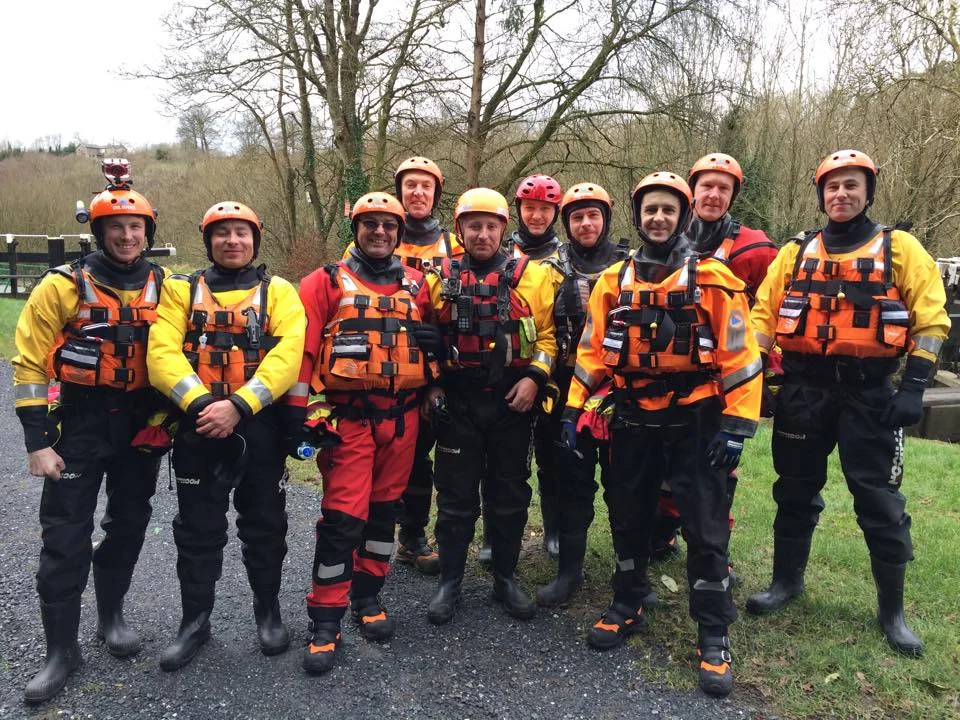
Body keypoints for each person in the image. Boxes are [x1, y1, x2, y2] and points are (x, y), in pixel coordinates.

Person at [564, 172, 762, 698]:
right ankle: (627, 600)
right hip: (632, 415)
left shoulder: (715, 278)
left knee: (704, 525)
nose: (658, 218)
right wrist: (572, 410)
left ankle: (714, 632)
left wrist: (737, 427)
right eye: (650, 209)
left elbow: (742, 357)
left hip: (696, 419)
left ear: (683, 216)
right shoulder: (613, 281)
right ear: (638, 216)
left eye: (668, 211)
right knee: (628, 513)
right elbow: (590, 352)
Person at [747, 149, 949, 657]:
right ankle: (786, 582)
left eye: (851, 186)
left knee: (879, 501)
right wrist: (747, 376)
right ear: (821, 194)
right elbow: (762, 318)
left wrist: (914, 387)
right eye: (833, 186)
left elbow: (931, 321)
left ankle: (892, 613)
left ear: (867, 192)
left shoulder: (900, 249)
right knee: (794, 491)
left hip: (871, 393)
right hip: (803, 390)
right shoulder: (794, 253)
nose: (841, 194)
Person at [15, 163, 169, 704]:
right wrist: (37, 443)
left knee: (128, 524)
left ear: (149, 231)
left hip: (141, 424)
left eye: (136, 228)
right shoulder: (61, 285)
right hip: (77, 423)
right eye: (116, 227)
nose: (127, 237)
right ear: (98, 231)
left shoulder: (167, 288)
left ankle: (112, 616)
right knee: (64, 539)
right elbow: (30, 364)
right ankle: (62, 650)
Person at [147, 201, 306, 671]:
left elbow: (288, 355)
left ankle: (269, 612)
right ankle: (195, 621)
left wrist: (237, 406)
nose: (232, 241)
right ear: (208, 240)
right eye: (222, 233)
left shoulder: (278, 291)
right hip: (199, 427)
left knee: (265, 526)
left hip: (258, 429)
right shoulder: (181, 290)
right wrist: (204, 406)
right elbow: (162, 355)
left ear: (255, 239)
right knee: (197, 531)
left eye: (241, 232)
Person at [292, 192, 439, 674]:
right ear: (354, 227)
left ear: (400, 232)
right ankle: (325, 616)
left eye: (388, 225)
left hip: (404, 418)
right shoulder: (323, 283)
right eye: (370, 223)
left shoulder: (420, 285)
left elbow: (439, 350)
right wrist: (306, 415)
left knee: (383, 517)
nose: (379, 232)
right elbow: (302, 355)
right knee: (341, 521)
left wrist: (438, 358)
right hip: (349, 421)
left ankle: (369, 595)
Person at [423, 188, 557, 625]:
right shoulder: (436, 279)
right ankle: (450, 580)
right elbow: (422, 339)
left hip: (510, 405)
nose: (482, 234)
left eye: (491, 226)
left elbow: (551, 339)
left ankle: (505, 576)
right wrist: (433, 386)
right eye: (473, 226)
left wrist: (534, 378)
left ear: (504, 229)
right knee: (456, 497)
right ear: (459, 229)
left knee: (509, 495)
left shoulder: (533, 277)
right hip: (458, 405)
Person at [649, 153, 777, 562]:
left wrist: (759, 374)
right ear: (692, 191)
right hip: (672, 373)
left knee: (718, 468)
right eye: (707, 186)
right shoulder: (664, 231)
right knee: (666, 465)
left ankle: (712, 549)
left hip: (724, 380)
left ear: (734, 195)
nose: (714, 194)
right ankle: (663, 532)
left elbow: (768, 312)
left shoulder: (754, 249)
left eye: (724, 188)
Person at [343, 157, 463, 575]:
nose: (418, 192)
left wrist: (440, 359)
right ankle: (367, 538)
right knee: (381, 462)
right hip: (378, 368)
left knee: (419, 461)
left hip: (431, 367)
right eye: (410, 185)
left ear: (436, 195)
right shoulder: (368, 238)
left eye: (426, 187)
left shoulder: (453, 245)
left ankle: (412, 536)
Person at [534, 182, 629, 607]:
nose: (585, 224)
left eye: (593, 216)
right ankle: (569, 571)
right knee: (570, 479)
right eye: (577, 217)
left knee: (624, 483)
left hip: (620, 393)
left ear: (606, 219)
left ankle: (630, 573)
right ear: (566, 223)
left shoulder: (632, 267)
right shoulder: (549, 268)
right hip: (567, 389)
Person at [506, 174, 565, 560]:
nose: (537, 215)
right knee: (505, 459)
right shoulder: (500, 248)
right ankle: (498, 535)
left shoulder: (567, 255)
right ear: (519, 210)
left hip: (553, 367)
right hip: (507, 367)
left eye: (545, 209)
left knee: (550, 454)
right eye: (530, 208)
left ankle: (553, 529)